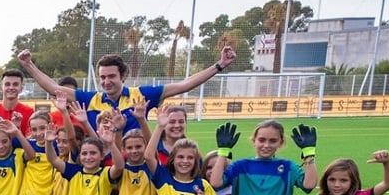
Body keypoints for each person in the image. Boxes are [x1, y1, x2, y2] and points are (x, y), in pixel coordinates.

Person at [18, 45, 236, 133]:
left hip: (135, 164)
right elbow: (53, 88)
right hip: (103, 167)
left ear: (123, 75)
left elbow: (184, 84)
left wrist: (219, 65)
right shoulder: (91, 98)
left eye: (111, 76)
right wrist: (29, 65)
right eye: (102, 77)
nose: (106, 81)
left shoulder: (141, 95)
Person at [0, 69, 34, 134]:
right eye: (7, 84)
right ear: (1, 88)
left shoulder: (29, 112)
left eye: (15, 84)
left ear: (21, 89)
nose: (11, 87)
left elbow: (29, 140)